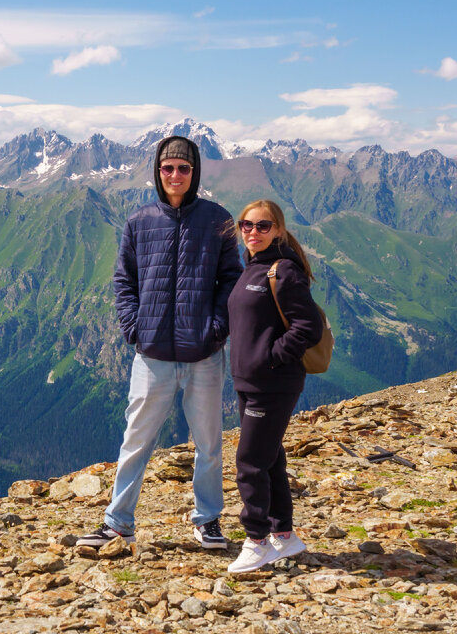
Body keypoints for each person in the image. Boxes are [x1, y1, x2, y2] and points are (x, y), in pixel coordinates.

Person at [77, 136, 242, 552]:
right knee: (136, 439)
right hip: (151, 354)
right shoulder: (139, 222)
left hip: (203, 353)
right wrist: (135, 328)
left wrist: (217, 327)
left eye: (183, 168)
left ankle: (208, 521)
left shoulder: (218, 220)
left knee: (208, 442)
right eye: (168, 168)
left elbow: (231, 279)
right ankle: (118, 523)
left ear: (194, 173)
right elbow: (124, 282)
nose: (175, 175)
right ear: (158, 172)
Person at [225, 199, 324, 573]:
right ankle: (284, 535)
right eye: (246, 225)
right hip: (250, 381)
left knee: (249, 462)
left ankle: (256, 541)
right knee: (269, 459)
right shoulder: (253, 267)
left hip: (272, 383)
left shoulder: (283, 271)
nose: (253, 232)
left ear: (278, 230)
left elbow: (308, 327)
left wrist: (271, 357)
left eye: (263, 226)